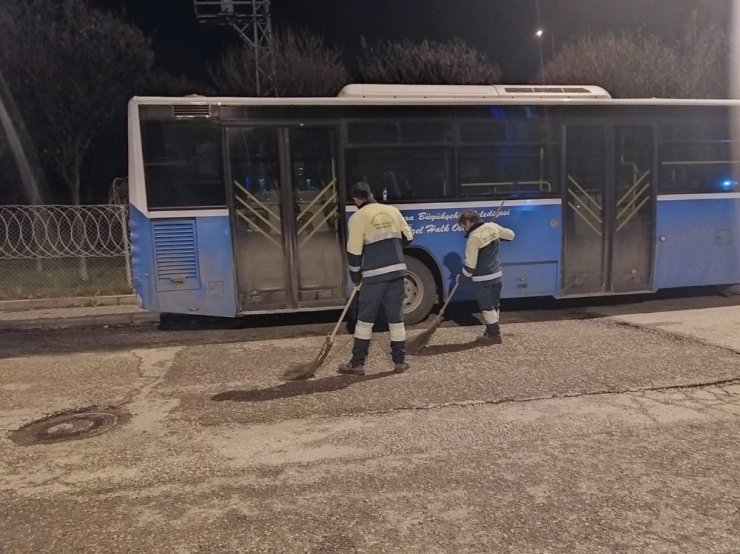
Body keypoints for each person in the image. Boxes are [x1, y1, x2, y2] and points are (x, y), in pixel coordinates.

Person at [339, 182, 413, 375]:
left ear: (356, 199)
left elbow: (353, 252)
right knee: (396, 319)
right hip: (397, 273)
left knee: (365, 321)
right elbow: (408, 237)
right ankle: (400, 362)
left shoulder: (357, 217)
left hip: (373, 276)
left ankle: (357, 363)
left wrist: (355, 277)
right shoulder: (393, 211)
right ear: (371, 194)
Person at [457, 210, 515, 344]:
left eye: (463, 227)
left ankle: (494, 336)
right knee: (494, 305)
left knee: (487, 307)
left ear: (468, 222)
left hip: (482, 279)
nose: (463, 230)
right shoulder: (492, 227)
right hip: (497, 275)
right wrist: (497, 234)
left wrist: (461, 277)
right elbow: (511, 235)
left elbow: (470, 267)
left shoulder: (473, 238)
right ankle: (491, 329)